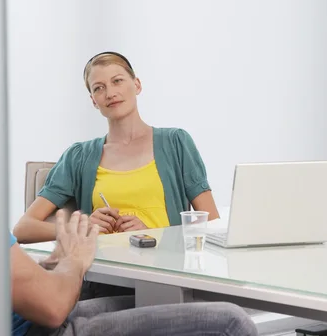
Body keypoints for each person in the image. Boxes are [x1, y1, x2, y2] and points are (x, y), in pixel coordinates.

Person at [13, 51, 219, 298]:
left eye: (117, 81)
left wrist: (155, 235)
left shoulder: (176, 142)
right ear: (93, 100)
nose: (110, 93)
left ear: (137, 84)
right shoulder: (79, 156)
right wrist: (84, 228)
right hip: (106, 286)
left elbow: (210, 226)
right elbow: (23, 229)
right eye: (99, 88)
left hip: (167, 280)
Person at [11, 209, 258, 336]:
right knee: (232, 322)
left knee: (191, 301)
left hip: (27, 315)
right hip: (39, 326)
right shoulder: (80, 156)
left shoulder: (175, 144)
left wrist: (54, 266)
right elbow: (53, 308)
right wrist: (73, 259)